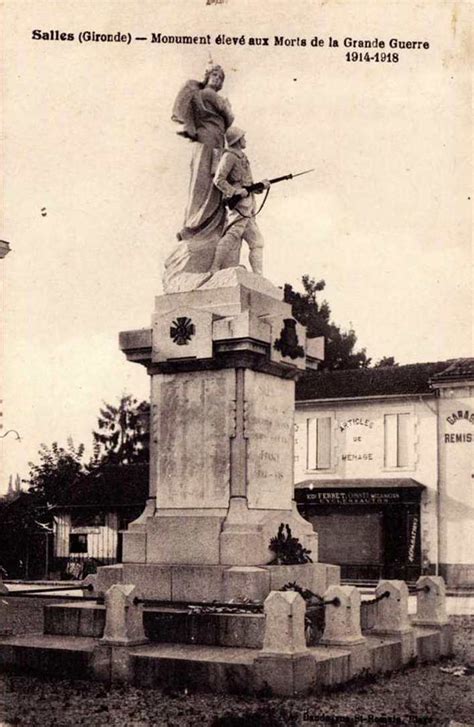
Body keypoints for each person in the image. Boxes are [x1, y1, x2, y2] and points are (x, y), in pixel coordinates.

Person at [171, 64, 234, 242]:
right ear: (207, 76)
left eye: (221, 78)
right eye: (214, 75)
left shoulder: (209, 95)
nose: (217, 79)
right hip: (209, 141)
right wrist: (227, 108)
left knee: (210, 183)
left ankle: (201, 226)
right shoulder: (208, 94)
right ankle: (196, 225)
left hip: (214, 140)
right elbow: (229, 117)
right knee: (205, 182)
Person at [211, 126, 270, 275]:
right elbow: (219, 179)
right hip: (238, 204)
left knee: (257, 242)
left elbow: (247, 183)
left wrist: (259, 187)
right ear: (237, 140)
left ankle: (258, 276)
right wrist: (235, 192)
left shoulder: (242, 157)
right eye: (243, 137)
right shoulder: (229, 156)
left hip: (249, 205)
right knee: (233, 234)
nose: (245, 140)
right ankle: (215, 267)